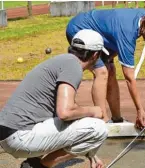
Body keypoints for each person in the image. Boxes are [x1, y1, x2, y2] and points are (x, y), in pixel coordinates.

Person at [0, 29, 109, 168]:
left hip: (9, 132)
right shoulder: (73, 66)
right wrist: (94, 111)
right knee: (98, 128)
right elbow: (66, 112)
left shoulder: (63, 61)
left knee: (79, 120)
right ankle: (40, 165)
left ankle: (32, 163)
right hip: (20, 136)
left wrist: (91, 154)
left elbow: (69, 116)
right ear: (95, 55)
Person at [66, 8, 145, 130]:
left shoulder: (144, 17)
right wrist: (139, 110)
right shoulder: (128, 31)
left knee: (110, 70)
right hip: (79, 29)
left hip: (101, 36)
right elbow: (129, 78)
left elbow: (115, 32)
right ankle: (102, 121)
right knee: (101, 72)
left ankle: (117, 120)